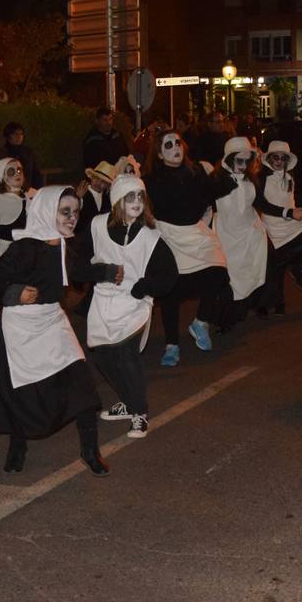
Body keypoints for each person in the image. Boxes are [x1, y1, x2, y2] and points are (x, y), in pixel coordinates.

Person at [0, 186, 120, 476]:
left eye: (75, 212)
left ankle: (90, 451)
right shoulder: (25, 247)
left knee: (81, 384)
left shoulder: (61, 245)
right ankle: (17, 446)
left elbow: (77, 271)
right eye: (65, 212)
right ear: (46, 211)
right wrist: (14, 292)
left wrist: (106, 271)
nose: (72, 218)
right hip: (21, 328)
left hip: (53, 320)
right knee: (23, 392)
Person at [85, 174, 177, 438]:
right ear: (117, 200)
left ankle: (140, 413)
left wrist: (145, 287)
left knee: (127, 357)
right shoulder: (97, 226)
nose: (136, 202)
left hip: (134, 302)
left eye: (140, 196)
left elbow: (169, 275)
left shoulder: (150, 236)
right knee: (102, 356)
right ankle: (128, 400)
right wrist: (100, 272)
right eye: (130, 196)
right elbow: (78, 263)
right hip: (102, 300)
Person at [144, 128, 234, 366]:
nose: (175, 148)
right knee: (171, 294)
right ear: (160, 154)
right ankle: (171, 345)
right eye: (168, 145)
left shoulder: (195, 171)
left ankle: (201, 322)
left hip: (195, 232)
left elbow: (213, 190)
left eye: (177, 143)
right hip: (170, 235)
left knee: (218, 270)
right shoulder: (151, 180)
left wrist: (226, 171)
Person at [254, 140, 302, 315]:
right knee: (274, 269)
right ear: (270, 158)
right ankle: (266, 306)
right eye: (276, 157)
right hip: (272, 228)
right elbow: (262, 205)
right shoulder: (262, 178)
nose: (279, 161)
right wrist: (288, 213)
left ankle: (298, 269)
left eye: (283, 158)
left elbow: (293, 199)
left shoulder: (289, 178)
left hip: (290, 225)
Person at [212, 137, 269, 328]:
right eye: (239, 161)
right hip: (226, 236)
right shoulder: (217, 179)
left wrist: (290, 212)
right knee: (229, 277)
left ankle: (246, 310)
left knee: (249, 272)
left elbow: (262, 203)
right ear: (229, 158)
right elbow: (203, 200)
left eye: (247, 161)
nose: (244, 165)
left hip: (250, 234)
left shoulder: (251, 179)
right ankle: (224, 320)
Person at [0, 157, 29, 259]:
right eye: (11, 171)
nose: (17, 173)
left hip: (25, 251)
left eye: (19, 170)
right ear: (4, 177)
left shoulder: (29, 197)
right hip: (4, 252)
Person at [76, 160, 117, 237]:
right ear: (92, 177)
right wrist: (77, 199)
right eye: (97, 178)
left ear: (108, 185)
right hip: (82, 240)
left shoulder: (108, 198)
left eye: (104, 182)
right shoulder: (81, 193)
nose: (99, 183)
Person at [3, 122, 44, 189]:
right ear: (8, 136)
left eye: (21, 134)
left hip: (28, 189)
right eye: (15, 134)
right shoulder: (3, 152)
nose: (18, 137)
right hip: (11, 190)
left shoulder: (28, 152)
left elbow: (36, 173)